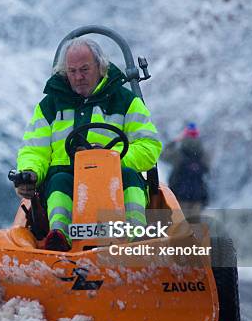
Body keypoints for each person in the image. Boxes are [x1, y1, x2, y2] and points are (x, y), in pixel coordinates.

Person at [15, 38, 162, 251]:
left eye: (84, 69)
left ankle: (135, 237)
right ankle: (59, 237)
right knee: (58, 182)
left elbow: (149, 145)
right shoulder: (49, 106)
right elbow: (34, 149)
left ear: (100, 67)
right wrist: (29, 172)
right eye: (72, 71)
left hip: (115, 179)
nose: (78, 77)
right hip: (66, 178)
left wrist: (110, 158)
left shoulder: (125, 101)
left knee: (130, 178)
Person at [164, 122, 210, 214]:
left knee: (180, 225)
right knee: (195, 225)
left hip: (179, 196)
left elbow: (163, 155)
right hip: (198, 197)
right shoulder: (203, 155)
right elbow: (207, 170)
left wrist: (174, 141)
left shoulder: (179, 155)